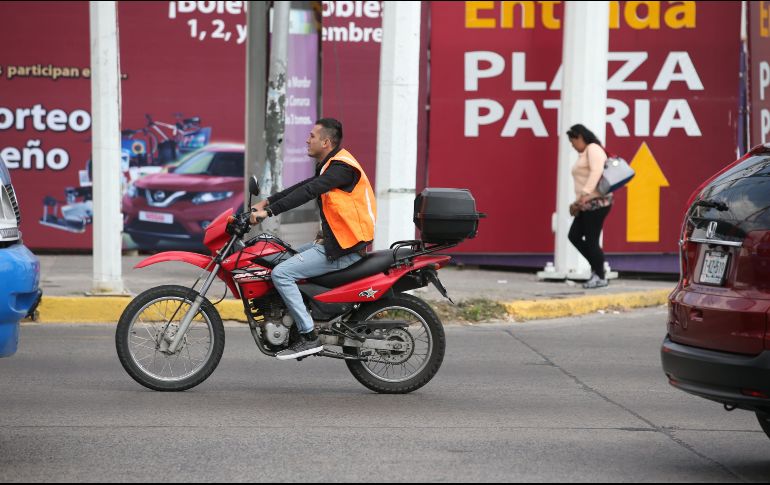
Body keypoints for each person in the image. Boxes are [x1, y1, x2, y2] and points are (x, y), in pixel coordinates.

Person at [249, 118, 376, 360]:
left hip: (344, 248)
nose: (307, 140)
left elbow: (309, 191)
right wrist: (267, 201)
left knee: (282, 273)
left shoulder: (342, 168)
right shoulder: (331, 165)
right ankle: (297, 320)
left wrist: (269, 212)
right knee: (280, 256)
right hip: (334, 242)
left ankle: (308, 336)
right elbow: (304, 185)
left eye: (312, 136)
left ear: (326, 142)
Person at [566, 124, 612, 289]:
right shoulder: (585, 153)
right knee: (574, 236)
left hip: (596, 203)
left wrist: (584, 194)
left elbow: (596, 171)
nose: (572, 145)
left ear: (579, 137)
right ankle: (597, 269)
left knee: (591, 241)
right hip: (585, 204)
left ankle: (599, 275)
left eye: (573, 141)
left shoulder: (593, 148)